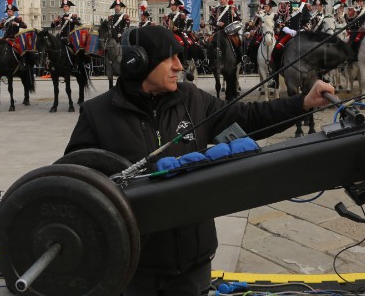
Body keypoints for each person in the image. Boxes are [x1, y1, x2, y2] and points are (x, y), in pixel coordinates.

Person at [65, 25, 335, 295]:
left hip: (194, 262)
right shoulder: (97, 114)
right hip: (135, 267)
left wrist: (303, 103)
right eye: (169, 57)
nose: (179, 66)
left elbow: (249, 117)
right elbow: (71, 188)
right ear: (139, 61)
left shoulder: (192, 98)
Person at [272, 0, 312, 69]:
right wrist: (285, 29)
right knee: (276, 50)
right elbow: (279, 19)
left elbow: (308, 21)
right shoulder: (283, 5)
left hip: (301, 34)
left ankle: (319, 74)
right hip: (287, 34)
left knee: (315, 49)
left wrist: (302, 30)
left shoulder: (305, 6)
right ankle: (274, 76)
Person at [0, 0, 29, 65]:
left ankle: (22, 61)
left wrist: (17, 24)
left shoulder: (17, 19)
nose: (8, 12)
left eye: (10, 11)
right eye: (8, 11)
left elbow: (25, 26)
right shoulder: (5, 20)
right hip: (5, 38)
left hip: (13, 38)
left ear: (13, 12)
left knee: (18, 49)